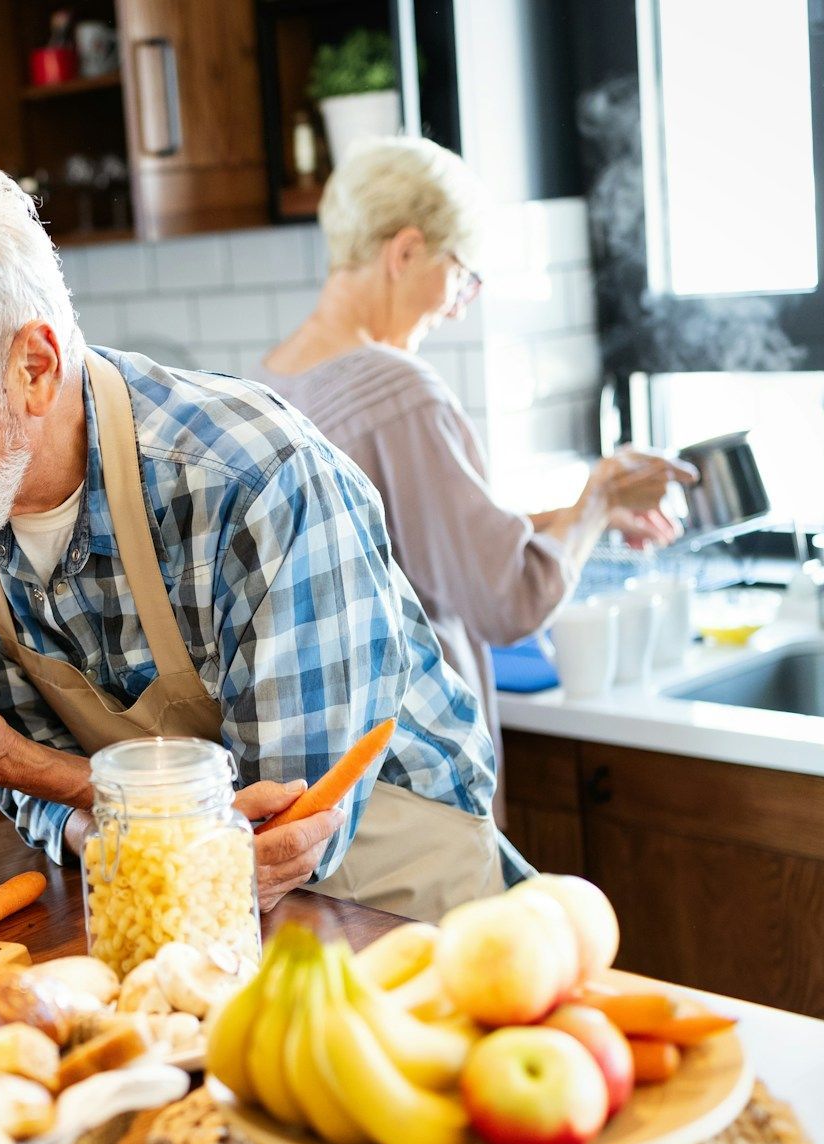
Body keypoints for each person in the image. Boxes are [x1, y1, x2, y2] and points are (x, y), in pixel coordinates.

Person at [0, 154, 525, 919]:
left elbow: (281, 832)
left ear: (34, 367)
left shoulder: (253, 481)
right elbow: (6, 759)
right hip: (178, 908)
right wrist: (53, 790)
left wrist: (33, 768)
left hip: (394, 898)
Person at [259, 137, 695, 809]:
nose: (459, 305)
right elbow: (509, 599)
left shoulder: (268, 383)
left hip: (319, 787)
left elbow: (413, 543)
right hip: (421, 777)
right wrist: (600, 491)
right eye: (461, 275)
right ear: (404, 252)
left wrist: (588, 515)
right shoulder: (398, 390)